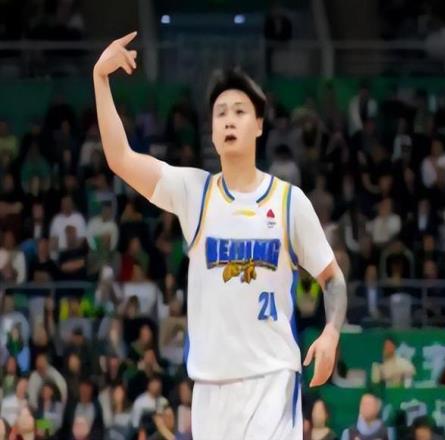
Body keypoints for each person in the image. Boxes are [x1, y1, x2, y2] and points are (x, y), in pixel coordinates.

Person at [93, 32, 347, 439]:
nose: (229, 119)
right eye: (220, 112)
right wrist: (100, 79)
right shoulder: (194, 192)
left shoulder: (288, 201)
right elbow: (121, 158)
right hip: (210, 389)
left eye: (240, 111)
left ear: (259, 125)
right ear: (211, 131)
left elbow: (332, 279)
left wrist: (331, 333)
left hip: (272, 379)